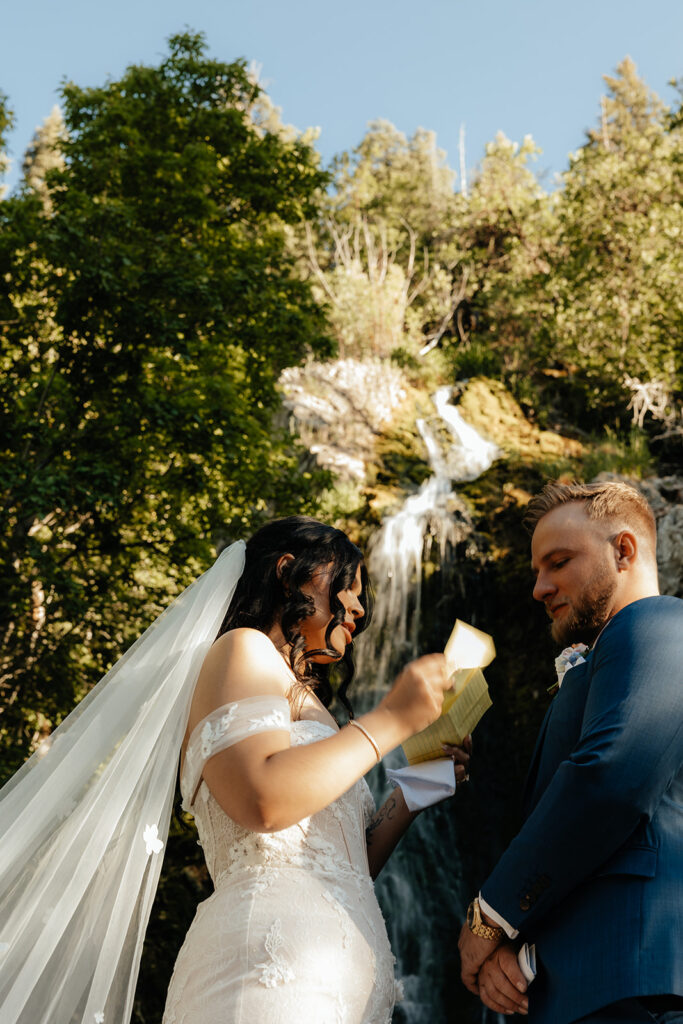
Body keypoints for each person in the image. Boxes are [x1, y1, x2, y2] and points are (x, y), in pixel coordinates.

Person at [0, 516, 466, 1024]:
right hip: (263, 970)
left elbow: (346, 863)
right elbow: (260, 798)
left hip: (336, 983)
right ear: (289, 573)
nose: (358, 607)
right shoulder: (241, 650)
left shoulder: (314, 706)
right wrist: (393, 718)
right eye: (346, 587)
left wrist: (423, 784)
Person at [457, 480, 683, 1024]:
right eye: (537, 570)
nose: (539, 588)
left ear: (623, 550)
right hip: (578, 989)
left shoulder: (660, 623)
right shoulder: (608, 654)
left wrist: (490, 918)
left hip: (635, 984)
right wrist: (513, 949)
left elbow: (609, 778)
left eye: (558, 563)